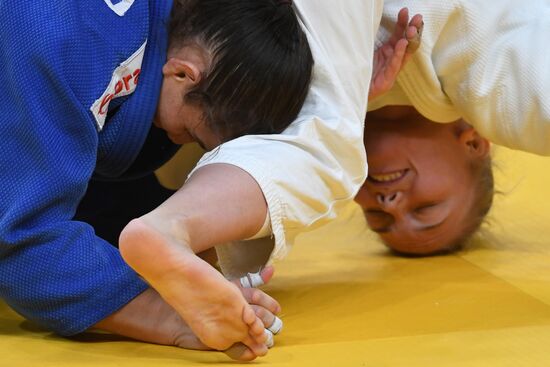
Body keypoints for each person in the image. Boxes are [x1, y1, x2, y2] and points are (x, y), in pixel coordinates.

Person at [0, 0, 313, 361]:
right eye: (193, 136)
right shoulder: (63, 48)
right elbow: (24, 244)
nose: (182, 142)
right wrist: (167, 313)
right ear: (183, 74)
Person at [355, 0, 550, 256]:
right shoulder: (492, 93)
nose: (390, 205)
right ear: (473, 144)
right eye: (425, 208)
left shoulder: (312, 116)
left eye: (377, 216)